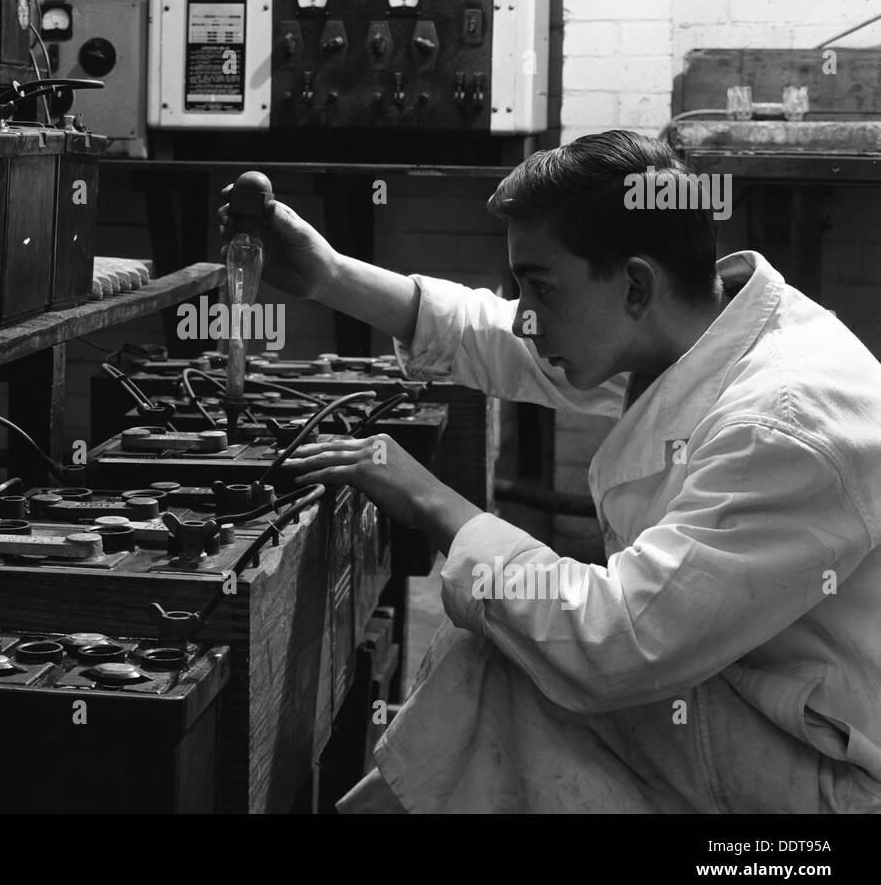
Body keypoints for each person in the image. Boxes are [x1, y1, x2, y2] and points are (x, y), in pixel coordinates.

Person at [220, 130, 881, 813]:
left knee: (503, 661)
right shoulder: (703, 327)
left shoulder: (780, 422)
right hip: (748, 705)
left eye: (540, 287)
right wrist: (327, 274)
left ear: (634, 285)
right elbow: (495, 335)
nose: (527, 319)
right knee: (503, 646)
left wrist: (431, 500)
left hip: (827, 782)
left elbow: (617, 640)